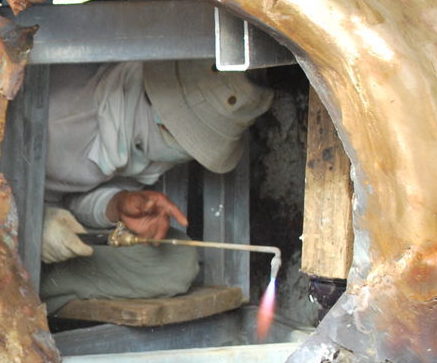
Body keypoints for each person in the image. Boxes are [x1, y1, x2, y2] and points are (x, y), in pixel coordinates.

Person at [38, 60, 273, 313]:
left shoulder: (133, 132)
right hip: (0, 227)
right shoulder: (58, 118)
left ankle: (41, 281)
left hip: (52, 232)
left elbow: (73, 199)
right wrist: (35, 223)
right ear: (164, 122)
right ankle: (23, 289)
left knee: (176, 262)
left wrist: (117, 204)